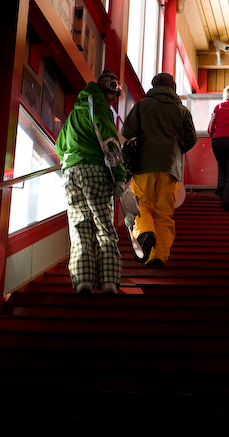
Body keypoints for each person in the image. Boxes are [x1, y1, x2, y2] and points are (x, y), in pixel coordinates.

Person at [55, 70, 126, 295]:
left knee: (80, 228)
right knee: (104, 227)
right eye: (113, 95)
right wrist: (120, 176)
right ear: (105, 91)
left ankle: (83, 281)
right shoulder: (100, 108)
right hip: (95, 170)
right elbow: (110, 142)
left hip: (70, 174)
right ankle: (108, 282)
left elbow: (59, 146)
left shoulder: (75, 111)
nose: (114, 100)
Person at [122, 72, 197, 266]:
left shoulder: (142, 105)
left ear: (153, 87)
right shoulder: (182, 110)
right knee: (163, 213)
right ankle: (158, 256)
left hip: (144, 165)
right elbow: (191, 139)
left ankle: (145, 232)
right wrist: (176, 149)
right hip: (171, 168)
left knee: (141, 205)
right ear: (173, 88)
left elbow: (127, 131)